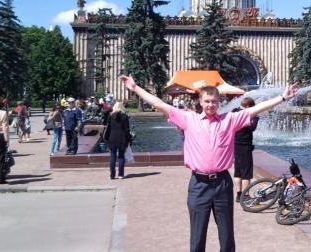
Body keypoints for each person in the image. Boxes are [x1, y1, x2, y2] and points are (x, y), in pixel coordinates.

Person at [119, 74, 299, 252]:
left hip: (222, 183)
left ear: (219, 102)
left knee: (227, 236)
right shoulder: (188, 119)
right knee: (197, 236)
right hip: (199, 184)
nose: (210, 105)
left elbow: (255, 110)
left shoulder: (229, 120)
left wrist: (282, 98)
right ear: (200, 101)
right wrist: (135, 88)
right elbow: (159, 104)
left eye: (214, 101)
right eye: (207, 101)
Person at [231, 97, 260, 202]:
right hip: (245, 146)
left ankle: (239, 195)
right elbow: (252, 128)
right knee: (246, 173)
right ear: (248, 106)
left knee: (238, 171)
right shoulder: (249, 115)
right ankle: (246, 196)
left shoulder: (234, 112)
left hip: (234, 145)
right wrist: (255, 117)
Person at [103, 101, 131, 180]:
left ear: (114, 107)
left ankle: (112, 175)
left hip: (112, 138)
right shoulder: (125, 116)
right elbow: (127, 129)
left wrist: (106, 138)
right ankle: (120, 175)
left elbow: (108, 128)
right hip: (122, 139)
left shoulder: (111, 116)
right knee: (121, 156)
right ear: (122, 107)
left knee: (113, 157)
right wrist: (128, 139)